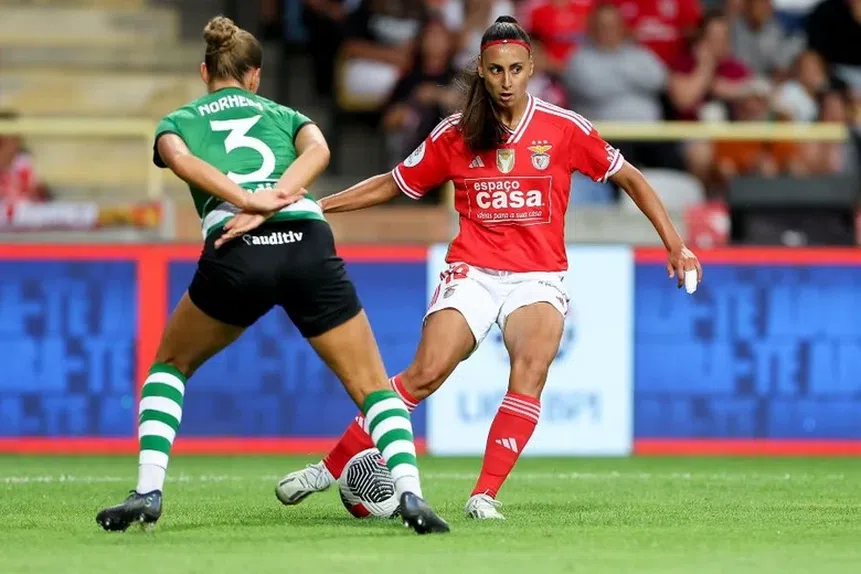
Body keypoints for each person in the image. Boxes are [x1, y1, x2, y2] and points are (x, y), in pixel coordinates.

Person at [219, 15, 702, 520]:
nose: (506, 81)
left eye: (515, 69)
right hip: (473, 271)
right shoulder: (457, 132)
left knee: (530, 371)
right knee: (424, 374)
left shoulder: (564, 128)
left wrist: (675, 245)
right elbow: (393, 182)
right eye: (495, 70)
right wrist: (318, 205)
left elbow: (631, 178)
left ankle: (483, 495)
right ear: (481, 70)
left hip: (538, 277)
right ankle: (329, 468)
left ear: (531, 68)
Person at [94, 15, 448, 535]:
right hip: (307, 240)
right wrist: (278, 197)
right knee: (373, 386)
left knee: (170, 365)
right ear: (255, 76)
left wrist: (248, 202)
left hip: (237, 250)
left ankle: (148, 491)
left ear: (205, 72)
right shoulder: (286, 114)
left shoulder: (179, 120)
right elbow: (320, 150)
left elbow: (180, 161)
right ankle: (412, 495)